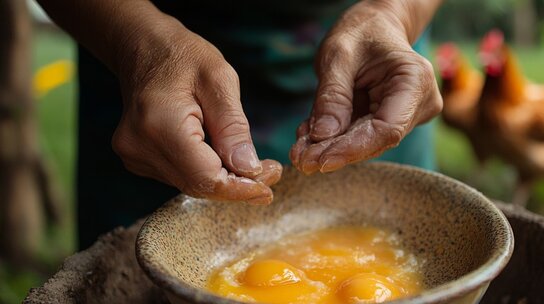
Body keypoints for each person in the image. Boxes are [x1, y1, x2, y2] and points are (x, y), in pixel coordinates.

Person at [36, 0, 444, 249]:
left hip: (371, 65)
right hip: (144, 67)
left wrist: (395, 11)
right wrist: (136, 45)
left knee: (397, 272)